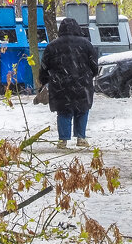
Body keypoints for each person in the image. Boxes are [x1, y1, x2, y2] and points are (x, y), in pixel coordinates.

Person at [40, 17, 100, 149]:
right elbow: (95, 65)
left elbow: (44, 66)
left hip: (60, 85)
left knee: (64, 111)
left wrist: (43, 80)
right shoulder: (86, 44)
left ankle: (63, 140)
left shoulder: (52, 46)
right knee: (82, 109)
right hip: (82, 84)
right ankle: (81, 137)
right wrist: (90, 75)